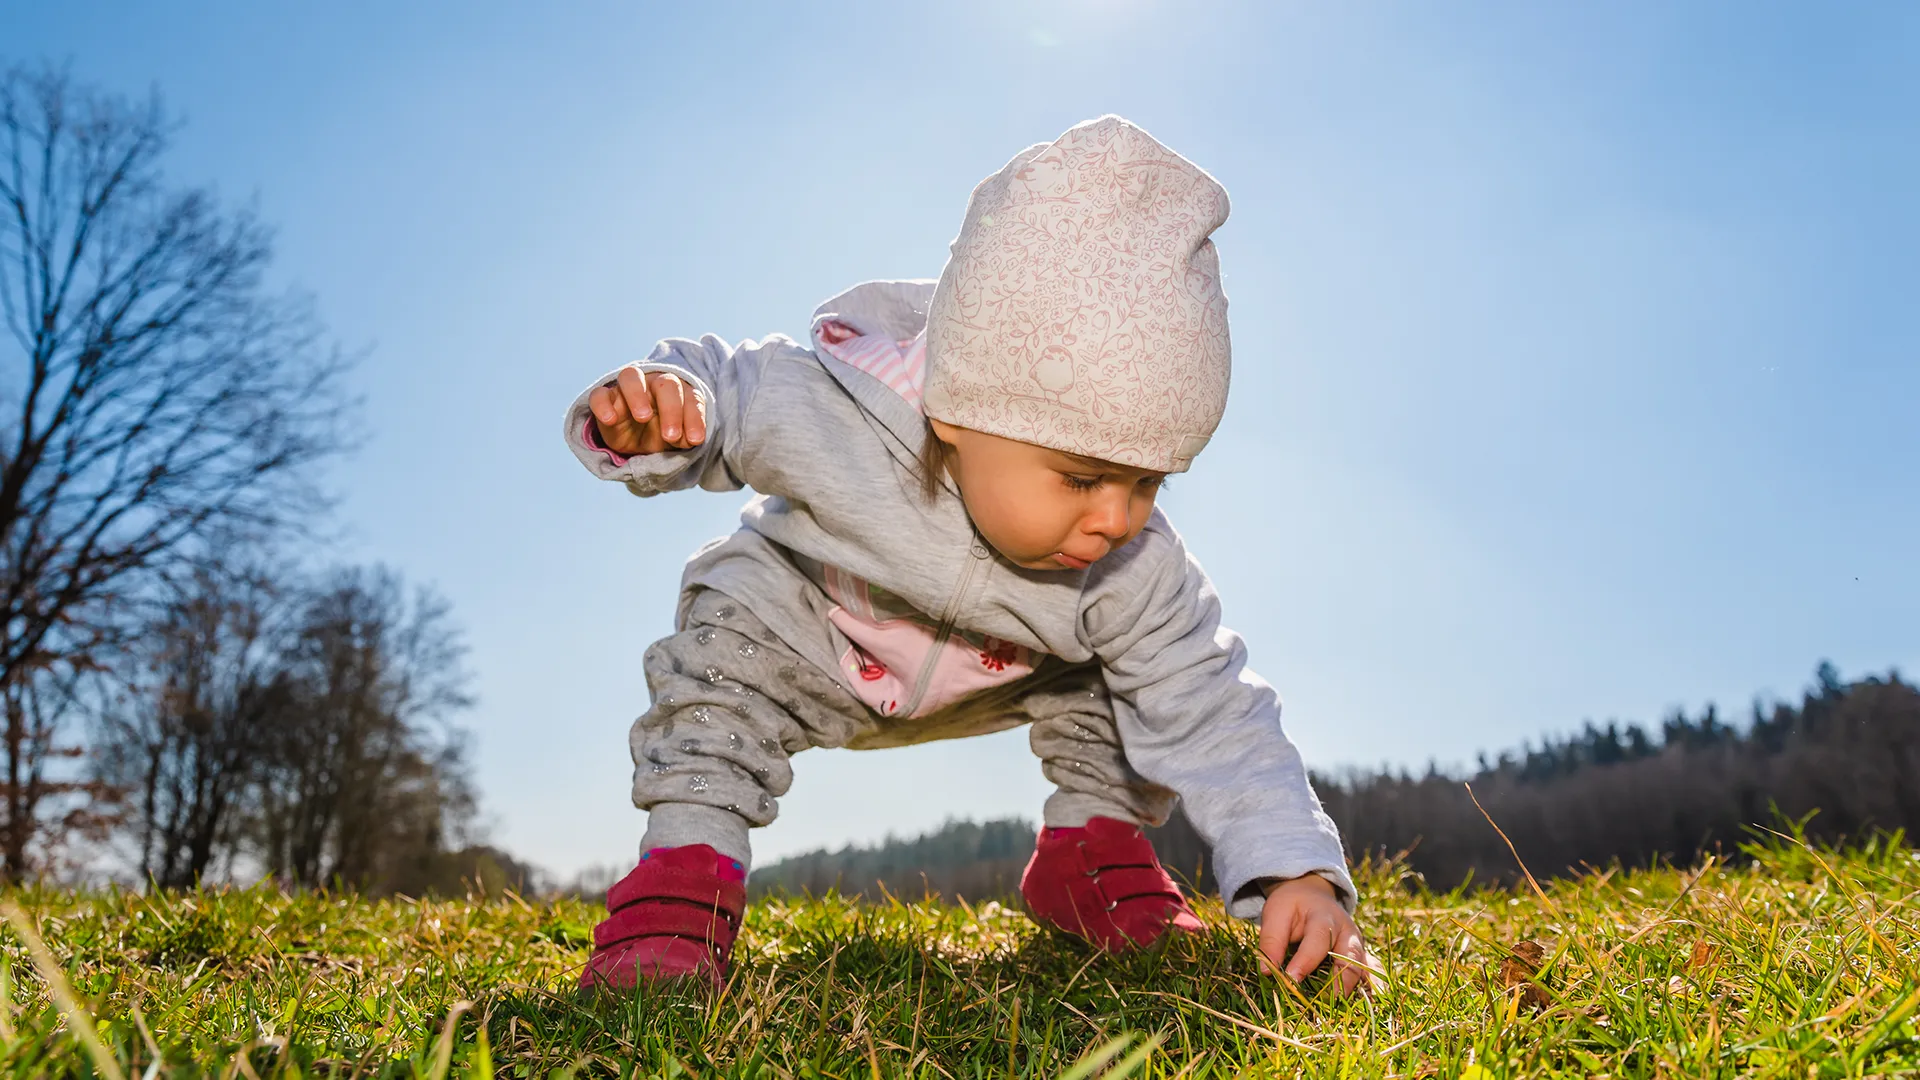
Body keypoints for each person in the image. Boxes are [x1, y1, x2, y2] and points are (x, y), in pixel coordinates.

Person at [565, 116, 1371, 995]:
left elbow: (1217, 712)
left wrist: (1295, 869)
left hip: (1001, 668)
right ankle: (685, 880)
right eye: (1083, 476)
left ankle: (1090, 855)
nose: (1119, 517)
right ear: (956, 413)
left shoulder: (1132, 571)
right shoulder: (841, 414)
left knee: (1131, 679)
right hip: (805, 636)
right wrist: (665, 406)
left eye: (1150, 483)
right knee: (719, 657)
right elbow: (728, 385)